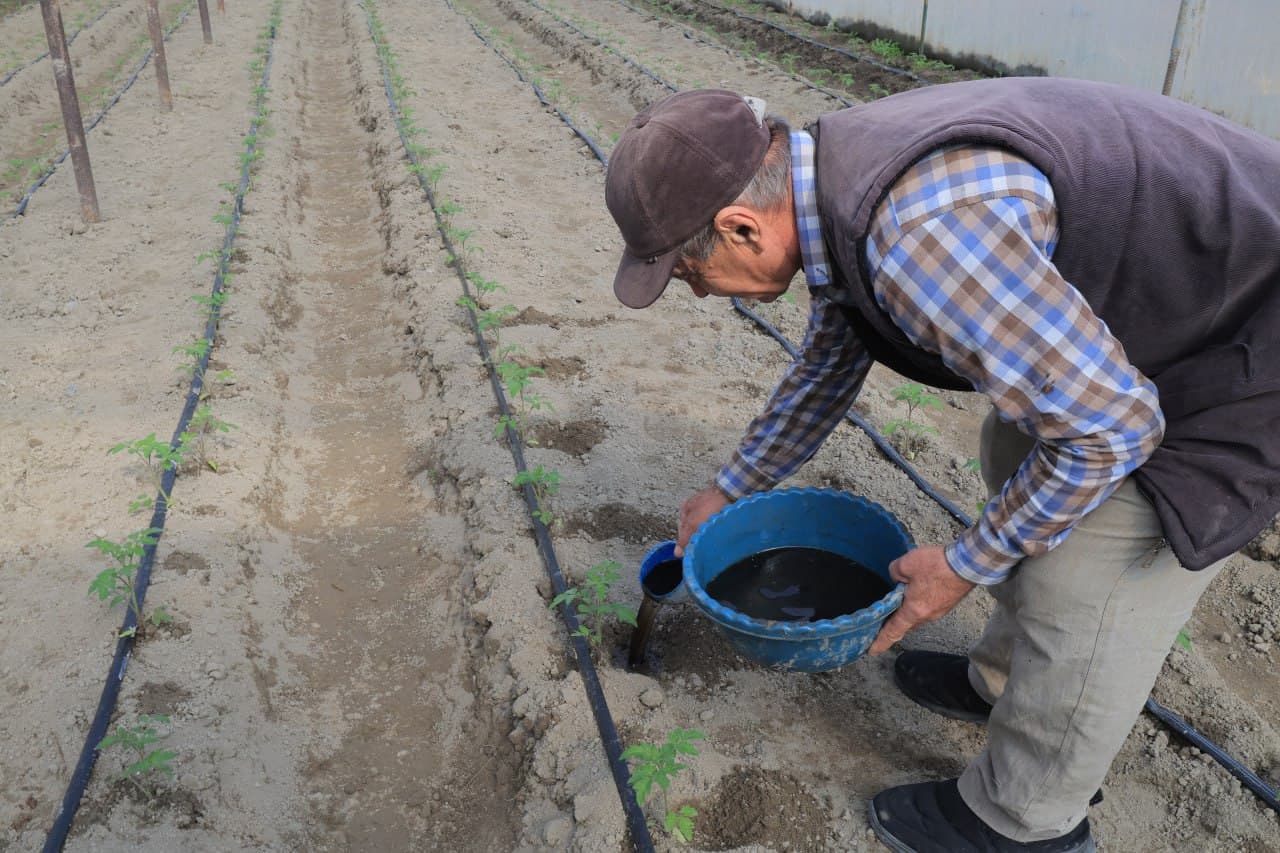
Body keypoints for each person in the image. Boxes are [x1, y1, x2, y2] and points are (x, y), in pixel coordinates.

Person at [603, 82, 1280, 853]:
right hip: (1169, 307)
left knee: (1093, 566)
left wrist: (964, 565)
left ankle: (1023, 821)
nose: (696, 292)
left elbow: (1114, 429)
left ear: (741, 226)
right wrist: (732, 486)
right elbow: (833, 355)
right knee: (1014, 447)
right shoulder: (829, 183)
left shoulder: (918, 237)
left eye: (687, 272)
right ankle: (1002, 681)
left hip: (1250, 339)